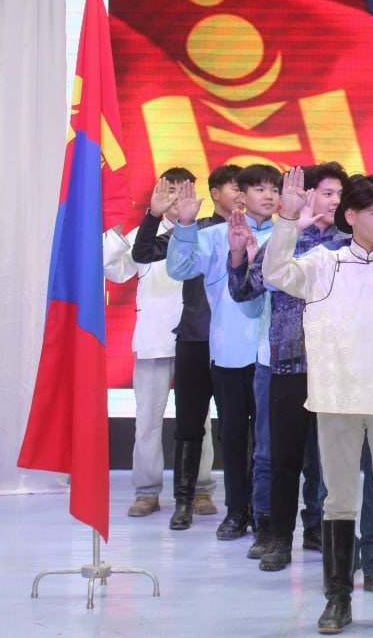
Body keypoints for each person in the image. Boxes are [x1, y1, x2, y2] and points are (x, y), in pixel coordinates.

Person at [262, 167, 373, 635]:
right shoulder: (323, 264)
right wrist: (286, 220)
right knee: (337, 503)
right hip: (335, 400)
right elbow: (274, 273)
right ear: (350, 216)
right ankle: (337, 600)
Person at [228, 162, 373, 585]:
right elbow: (244, 289)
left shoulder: (349, 245)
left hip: (338, 369)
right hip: (289, 365)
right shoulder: (285, 240)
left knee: (334, 464)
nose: (335, 201)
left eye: (340, 195)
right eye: (328, 193)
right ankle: (279, 538)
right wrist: (242, 253)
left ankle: (329, 536)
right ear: (307, 195)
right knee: (283, 459)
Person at [167, 163, 279, 541]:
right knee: (232, 436)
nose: (269, 196)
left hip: (274, 356)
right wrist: (184, 225)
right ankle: (236, 510)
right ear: (241, 196)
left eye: (274, 189)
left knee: (268, 441)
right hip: (229, 351)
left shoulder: (287, 235)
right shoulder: (215, 236)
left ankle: (266, 514)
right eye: (260, 189)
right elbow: (180, 268)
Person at [131, 163, 244, 529]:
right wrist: (155, 215)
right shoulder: (197, 230)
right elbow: (143, 252)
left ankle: (234, 504)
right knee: (188, 424)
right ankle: (179, 500)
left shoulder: (259, 231)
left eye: (247, 188)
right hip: (195, 336)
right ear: (215, 193)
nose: (242, 195)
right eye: (235, 187)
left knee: (234, 427)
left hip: (238, 342)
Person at [103, 168, 217, 520]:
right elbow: (113, 270)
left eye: (184, 191)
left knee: (199, 421)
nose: (177, 198)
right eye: (170, 190)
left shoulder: (206, 234)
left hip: (196, 338)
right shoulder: (144, 234)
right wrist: (118, 227)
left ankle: (200, 488)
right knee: (148, 420)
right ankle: (147, 491)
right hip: (154, 339)